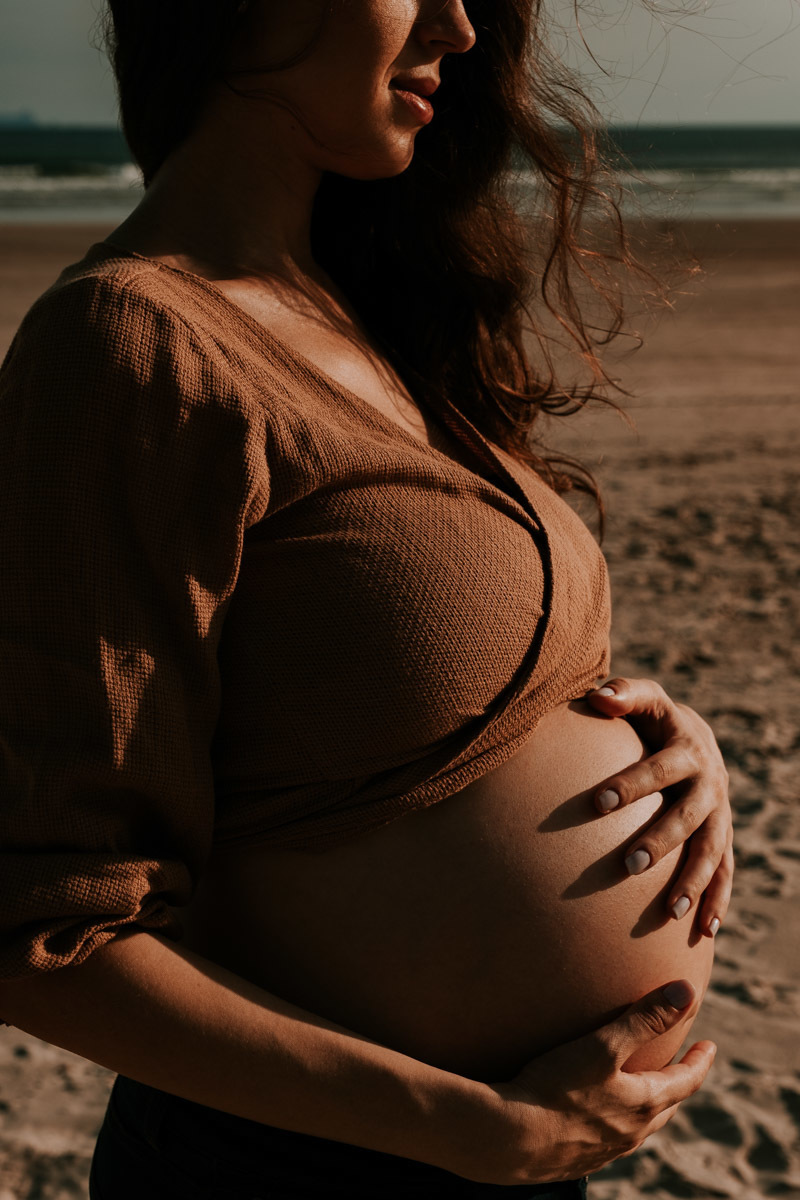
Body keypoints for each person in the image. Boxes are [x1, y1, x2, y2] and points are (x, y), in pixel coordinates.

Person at [0, 1, 733, 1196]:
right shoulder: (129, 344)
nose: (455, 24)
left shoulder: (368, 315)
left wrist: (668, 744)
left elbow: (405, 691)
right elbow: (46, 933)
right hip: (306, 1165)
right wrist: (461, 1128)